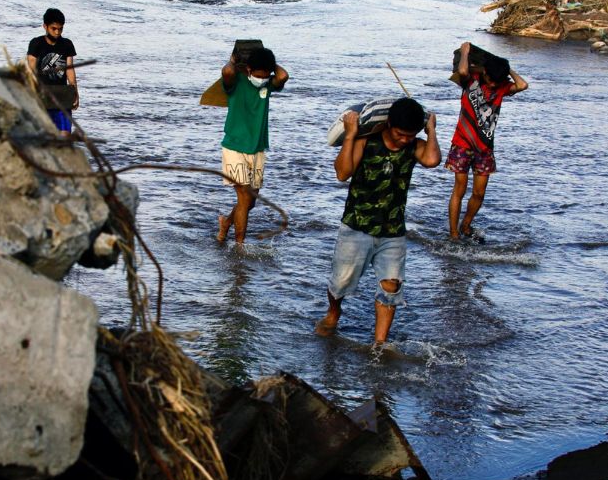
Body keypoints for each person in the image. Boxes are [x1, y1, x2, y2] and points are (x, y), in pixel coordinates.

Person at [316, 97, 441, 344]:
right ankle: (333, 312)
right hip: (356, 226)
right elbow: (342, 173)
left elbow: (432, 160)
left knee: (391, 286)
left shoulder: (414, 145)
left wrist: (431, 130)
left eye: (410, 134)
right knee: (340, 283)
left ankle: (380, 342)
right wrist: (351, 134)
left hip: (393, 230)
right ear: (388, 124)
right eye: (400, 133)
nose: (405, 139)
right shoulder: (366, 140)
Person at [446, 42, 529, 241]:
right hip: (462, 144)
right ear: (484, 73)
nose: (492, 85)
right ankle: (454, 234)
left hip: (485, 149)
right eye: (490, 80)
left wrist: (506, 67)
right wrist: (465, 52)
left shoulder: (502, 87)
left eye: (496, 82)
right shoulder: (471, 81)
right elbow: (463, 69)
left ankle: (466, 225)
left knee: (479, 193)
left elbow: (522, 85)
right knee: (460, 189)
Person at [217, 47, 289, 244]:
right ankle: (240, 246)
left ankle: (226, 223)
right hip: (234, 147)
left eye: (265, 76)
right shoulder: (236, 83)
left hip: (257, 148)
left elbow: (283, 76)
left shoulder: (267, 86)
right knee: (244, 195)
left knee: (250, 202)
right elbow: (227, 72)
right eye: (258, 75)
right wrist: (233, 59)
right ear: (248, 70)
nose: (262, 79)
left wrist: (269, 62)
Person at [27, 8, 78, 135]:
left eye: (60, 29)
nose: (57, 32)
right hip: (42, 96)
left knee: (65, 137)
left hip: (62, 96)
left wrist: (75, 93)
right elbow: (30, 70)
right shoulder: (36, 44)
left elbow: (70, 70)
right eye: (53, 28)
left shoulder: (67, 44)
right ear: (45, 26)